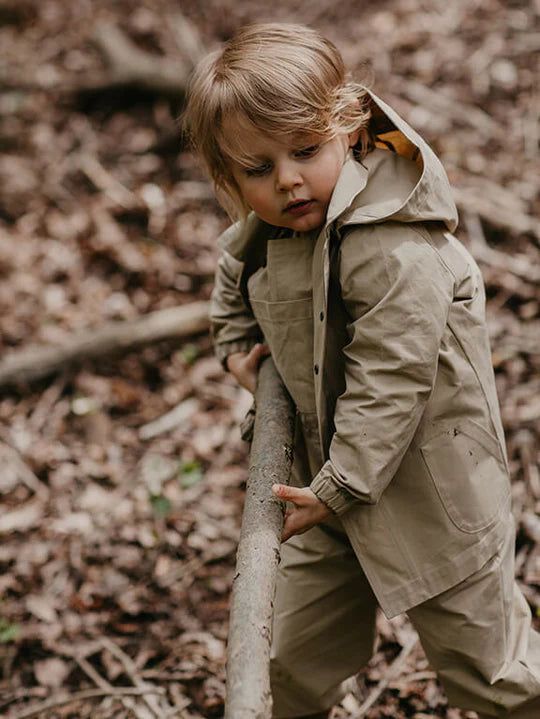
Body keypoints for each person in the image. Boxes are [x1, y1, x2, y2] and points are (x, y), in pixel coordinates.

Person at [183, 22, 540, 719]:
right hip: (325, 497)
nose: (287, 180)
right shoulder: (277, 221)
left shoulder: (393, 246)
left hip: (432, 497)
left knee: (493, 673)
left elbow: (393, 379)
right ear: (229, 177)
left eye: (306, 150)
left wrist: (341, 484)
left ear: (348, 122)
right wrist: (234, 342)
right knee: (288, 661)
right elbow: (234, 267)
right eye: (258, 169)